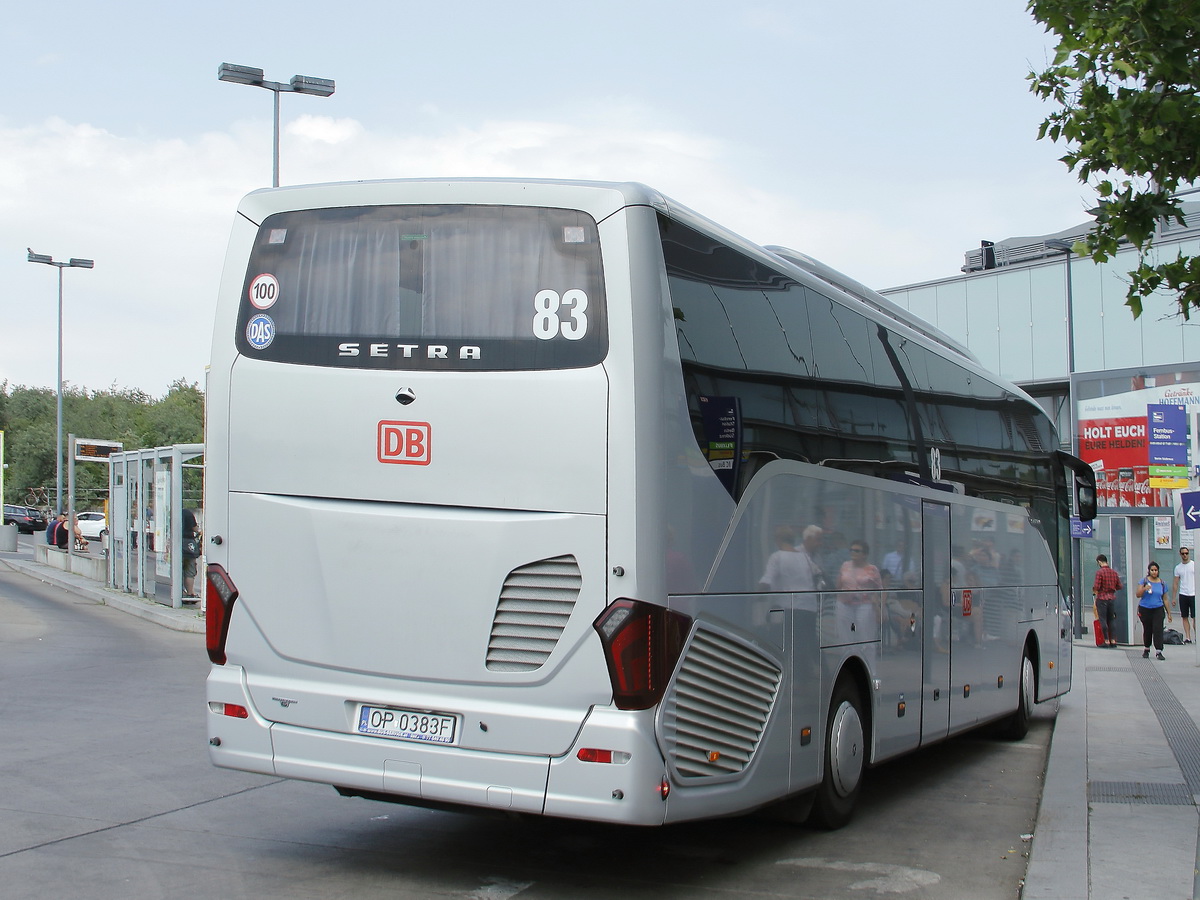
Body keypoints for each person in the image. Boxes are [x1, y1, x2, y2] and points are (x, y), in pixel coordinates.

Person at [837, 540, 882, 641]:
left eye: (857, 551)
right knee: (846, 636)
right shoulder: (845, 565)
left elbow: (879, 589)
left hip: (864, 604)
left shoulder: (872, 569)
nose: (853, 552)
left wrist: (878, 608)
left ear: (864, 554)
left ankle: (866, 657)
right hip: (845, 604)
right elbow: (838, 585)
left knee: (865, 635)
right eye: (851, 550)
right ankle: (849, 656)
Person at [1136, 561, 1173, 660]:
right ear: (1149, 571)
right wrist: (1144, 589)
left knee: (1158, 629)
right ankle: (1146, 648)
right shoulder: (1143, 581)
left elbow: (1165, 598)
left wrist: (1169, 613)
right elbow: (1138, 594)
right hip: (1145, 608)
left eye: (1155, 570)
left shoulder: (1162, 583)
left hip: (1158, 608)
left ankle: (1159, 651)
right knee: (1147, 629)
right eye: (1152, 570)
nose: (1154, 572)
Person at [1092, 553, 1122, 648]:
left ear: (1099, 562)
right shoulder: (1114, 572)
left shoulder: (1099, 572)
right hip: (1112, 598)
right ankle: (1113, 640)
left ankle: (1106, 640)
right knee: (1111, 619)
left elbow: (1097, 586)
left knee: (1103, 619)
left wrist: (1096, 590)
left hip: (1102, 598)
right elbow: (1119, 586)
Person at [1173, 547, 1195, 645]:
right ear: (1180, 554)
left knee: (1195, 617)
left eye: (1186, 553)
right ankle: (1188, 637)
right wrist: (1174, 597)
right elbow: (1175, 583)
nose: (1185, 555)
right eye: (1183, 553)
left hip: (1194, 593)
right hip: (1183, 594)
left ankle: (1197, 636)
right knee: (1184, 616)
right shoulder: (1178, 567)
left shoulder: (1194, 565)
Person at [181, 507, 200, 601]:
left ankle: (179, 592)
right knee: (190, 571)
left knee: (177, 570)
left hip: (177, 544)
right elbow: (195, 528)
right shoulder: (188, 513)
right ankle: (190, 592)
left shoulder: (172, 512)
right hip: (189, 545)